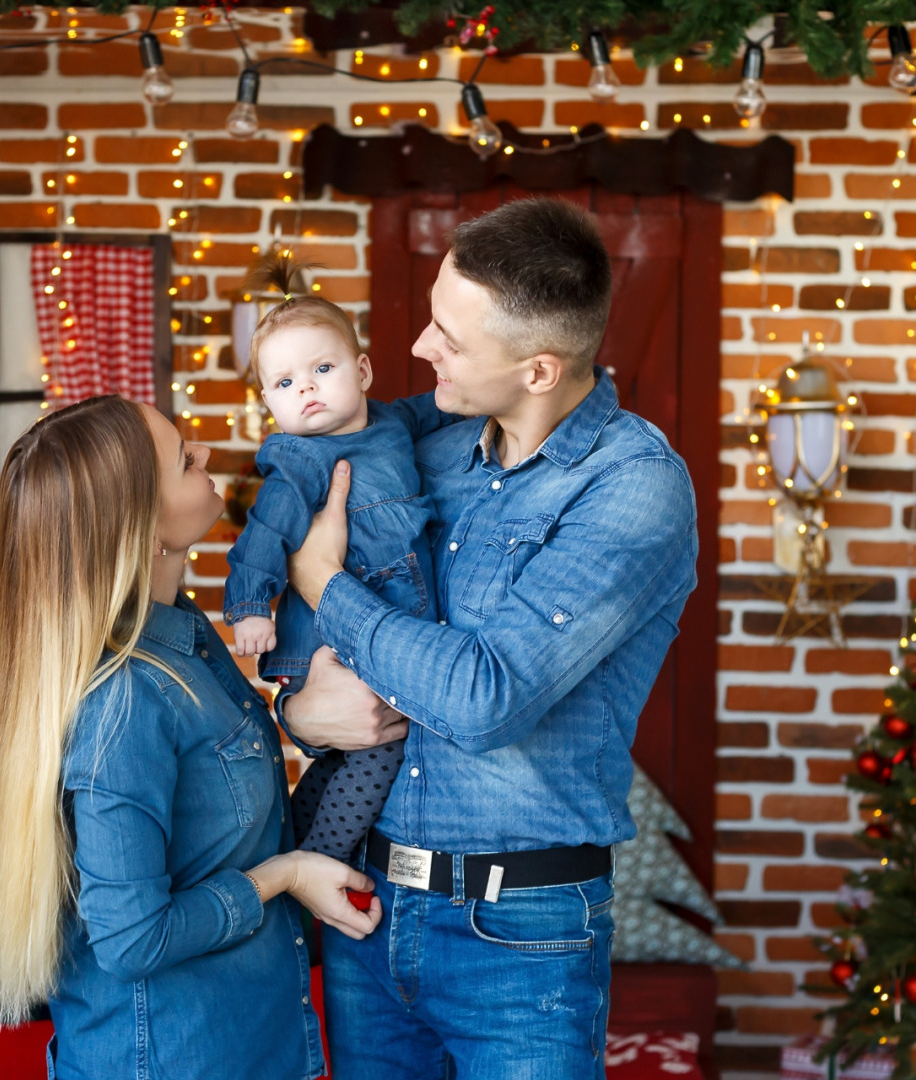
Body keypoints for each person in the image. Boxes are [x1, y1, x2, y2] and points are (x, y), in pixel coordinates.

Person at [282, 197, 700, 1079]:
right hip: (368, 911)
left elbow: (484, 697)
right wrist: (301, 712)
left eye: (449, 336)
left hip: (521, 939)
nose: (420, 349)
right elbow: (310, 652)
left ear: (540, 370)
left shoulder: (634, 488)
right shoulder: (426, 455)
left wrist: (329, 588)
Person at [0, 395, 381, 1080]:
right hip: (171, 1057)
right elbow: (133, 939)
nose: (205, 457)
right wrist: (286, 877)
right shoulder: (125, 699)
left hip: (242, 1040)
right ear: (143, 523)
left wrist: (303, 716)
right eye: (181, 460)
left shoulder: (183, 638)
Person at [224, 253, 446, 871]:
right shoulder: (298, 462)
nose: (309, 390)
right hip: (325, 645)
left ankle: (289, 841)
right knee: (380, 754)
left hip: (380, 630)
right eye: (287, 383)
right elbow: (263, 536)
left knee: (340, 761)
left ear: (364, 370)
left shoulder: (393, 423)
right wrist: (249, 607)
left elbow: (443, 405)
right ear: (268, 399)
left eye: (323, 368)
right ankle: (318, 863)